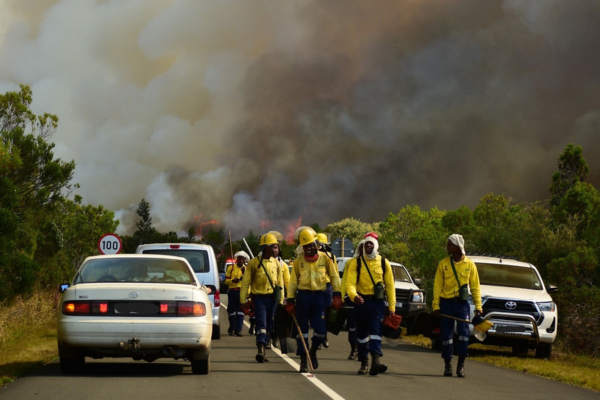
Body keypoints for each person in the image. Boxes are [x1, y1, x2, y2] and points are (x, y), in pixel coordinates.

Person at [286, 229, 342, 373]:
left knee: (321, 330)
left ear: (316, 244)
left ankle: (313, 349)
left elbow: (335, 278)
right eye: (306, 246)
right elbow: (293, 282)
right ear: (302, 248)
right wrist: (291, 300)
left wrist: (337, 295)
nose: (309, 248)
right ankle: (304, 360)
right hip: (303, 297)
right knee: (302, 331)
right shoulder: (299, 261)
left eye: (311, 245)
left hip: (319, 297)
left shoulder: (325, 259)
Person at [345, 232, 396, 375]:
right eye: (366, 243)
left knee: (375, 331)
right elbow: (350, 283)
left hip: (377, 303)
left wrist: (392, 306)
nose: (368, 245)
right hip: (361, 302)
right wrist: (354, 296)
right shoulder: (356, 262)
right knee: (361, 334)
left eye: (371, 244)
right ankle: (364, 362)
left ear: (376, 246)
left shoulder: (383, 262)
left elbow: (390, 286)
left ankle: (375, 362)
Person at [432, 234, 482, 378]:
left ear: (458, 246)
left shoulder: (470, 264)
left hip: (462, 305)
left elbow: (475, 287)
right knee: (447, 336)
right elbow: (437, 286)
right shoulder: (443, 264)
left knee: (464, 334)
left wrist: (478, 306)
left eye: (449, 245)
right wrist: (436, 305)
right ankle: (448, 365)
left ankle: (461, 365)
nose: (447, 247)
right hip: (446, 303)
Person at [240, 233, 285, 363]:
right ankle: (261, 348)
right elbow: (245, 283)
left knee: (270, 325)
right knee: (261, 324)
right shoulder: (254, 264)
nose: (277, 250)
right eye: (274, 247)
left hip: (273, 299)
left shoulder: (277, 263)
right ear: (266, 248)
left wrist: (281, 301)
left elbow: (280, 284)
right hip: (259, 299)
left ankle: (265, 344)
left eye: (277, 247)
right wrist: (243, 301)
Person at [340, 239, 365, 360]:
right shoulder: (351, 263)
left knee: (365, 325)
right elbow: (345, 279)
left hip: (367, 299)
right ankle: (353, 348)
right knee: (352, 325)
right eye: (362, 247)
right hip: (352, 297)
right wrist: (343, 295)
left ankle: (363, 350)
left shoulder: (375, 262)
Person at [316, 233, 335, 349]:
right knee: (317, 313)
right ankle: (317, 337)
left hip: (327, 287)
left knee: (326, 313)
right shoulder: (311, 257)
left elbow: (335, 274)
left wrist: (337, 293)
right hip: (315, 288)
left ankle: (324, 335)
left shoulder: (331, 257)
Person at [225, 251, 249, 336]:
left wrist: (248, 293)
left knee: (241, 311)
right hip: (232, 292)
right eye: (239, 258)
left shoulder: (246, 269)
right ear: (237, 259)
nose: (241, 260)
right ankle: (232, 327)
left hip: (242, 292)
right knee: (231, 311)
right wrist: (232, 280)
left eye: (243, 259)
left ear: (245, 260)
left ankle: (238, 330)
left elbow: (248, 282)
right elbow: (226, 281)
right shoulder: (230, 268)